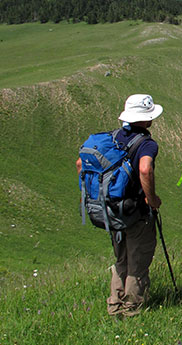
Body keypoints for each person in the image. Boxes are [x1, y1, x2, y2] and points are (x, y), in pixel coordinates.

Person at [76, 94, 163, 317]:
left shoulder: (112, 138)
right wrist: (151, 199)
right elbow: (145, 169)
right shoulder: (146, 144)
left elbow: (80, 163)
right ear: (148, 118)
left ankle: (114, 306)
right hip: (134, 211)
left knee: (121, 258)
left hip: (111, 210)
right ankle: (132, 310)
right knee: (138, 260)